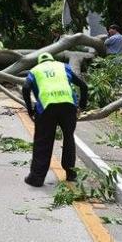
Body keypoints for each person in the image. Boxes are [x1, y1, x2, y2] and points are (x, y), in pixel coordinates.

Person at [22, 52, 88, 187]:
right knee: (69, 138)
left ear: (40, 62)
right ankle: (71, 174)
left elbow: (25, 88)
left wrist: (30, 109)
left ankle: (36, 178)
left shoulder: (35, 70)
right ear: (52, 60)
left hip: (47, 108)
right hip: (68, 107)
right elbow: (84, 86)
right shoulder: (63, 66)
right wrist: (81, 106)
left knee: (43, 142)